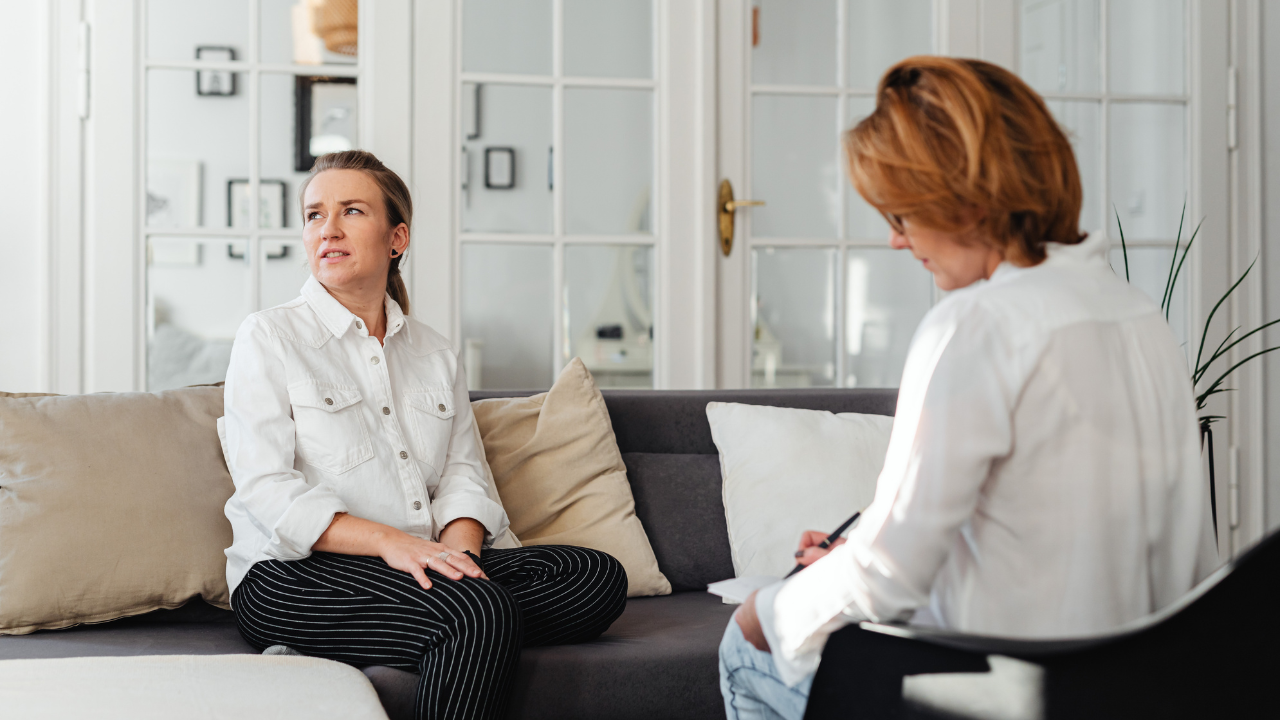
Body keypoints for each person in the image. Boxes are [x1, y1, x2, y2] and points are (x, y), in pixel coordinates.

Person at [719, 56, 1219, 720]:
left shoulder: (975, 324)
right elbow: (1054, 538)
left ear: (968, 200)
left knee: (745, 646)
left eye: (903, 215)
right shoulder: (1139, 316)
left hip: (1006, 695)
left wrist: (770, 610)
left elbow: (890, 579)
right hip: (1142, 690)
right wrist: (852, 558)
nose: (895, 241)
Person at [221, 150, 627, 720]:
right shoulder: (268, 336)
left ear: (397, 238)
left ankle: (419, 631)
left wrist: (457, 561)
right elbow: (267, 490)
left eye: (351, 211)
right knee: (478, 612)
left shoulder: (435, 353)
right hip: (292, 574)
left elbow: (464, 477)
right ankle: (452, 625)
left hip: (417, 566)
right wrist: (395, 544)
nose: (328, 229)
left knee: (596, 578)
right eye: (314, 214)